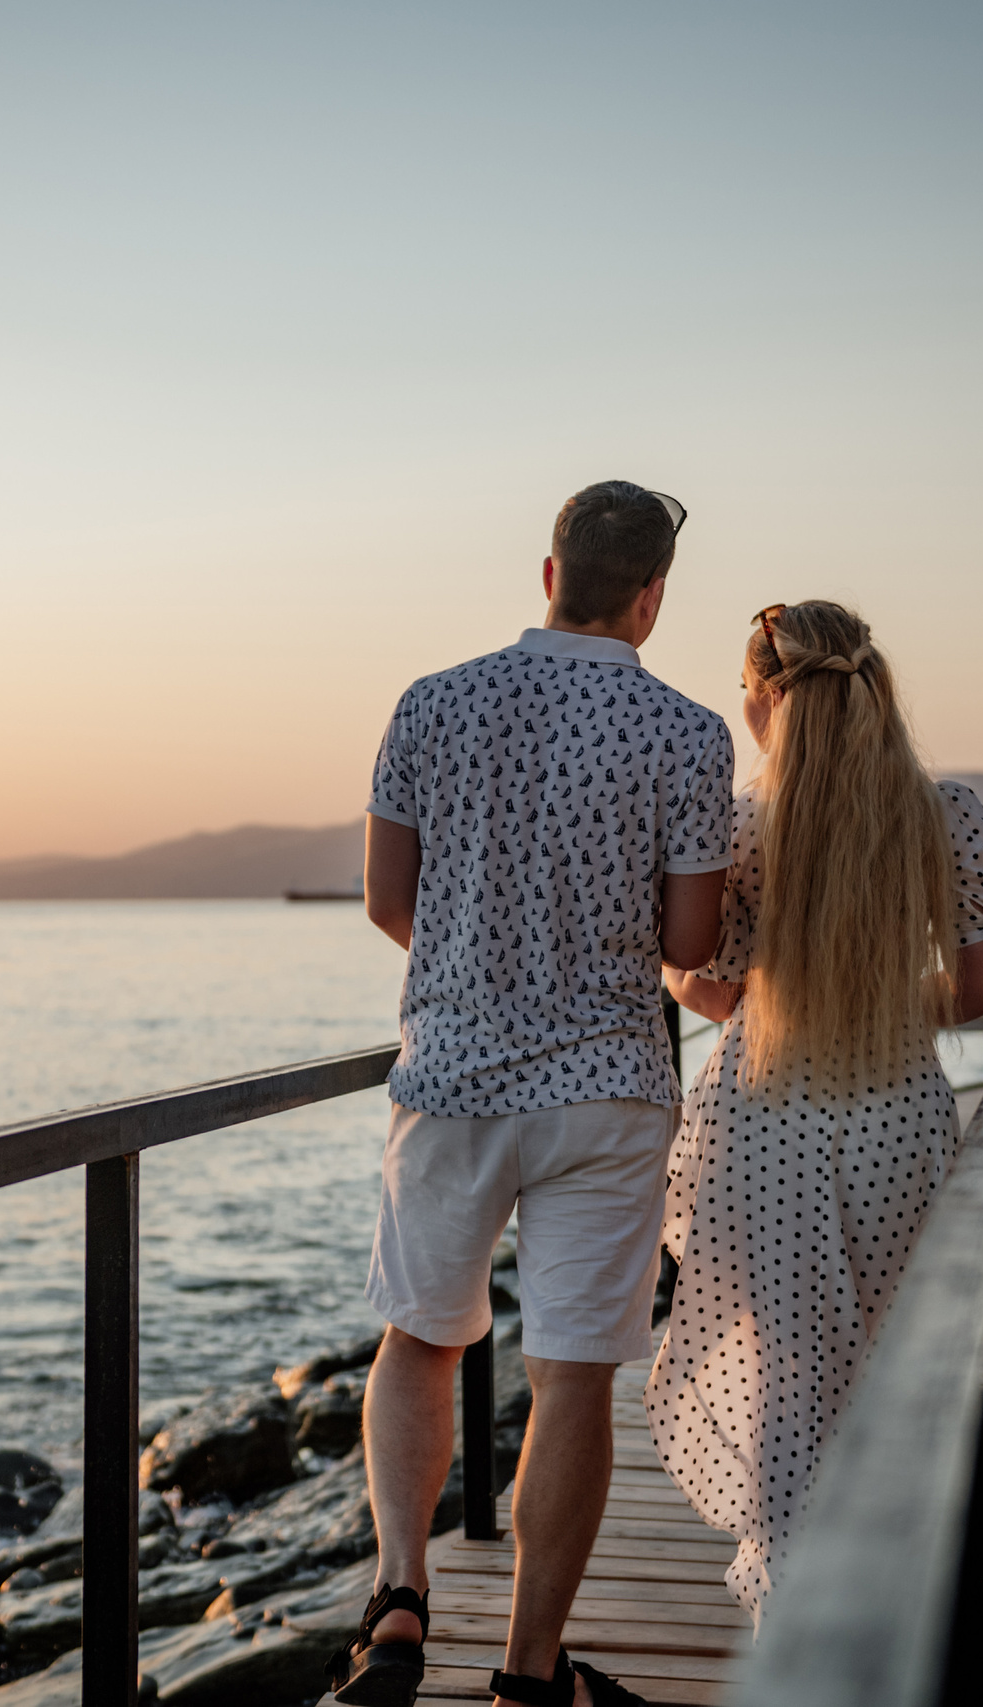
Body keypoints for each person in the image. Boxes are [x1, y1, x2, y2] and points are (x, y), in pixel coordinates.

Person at [334, 480, 733, 1707]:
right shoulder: (689, 734)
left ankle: (401, 1600)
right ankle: (523, 1673)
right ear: (652, 596)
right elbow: (690, 934)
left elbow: (385, 900)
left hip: (450, 1077)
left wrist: (479, 975)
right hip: (607, 1089)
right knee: (572, 1374)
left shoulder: (431, 703)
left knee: (418, 1336)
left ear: (548, 570)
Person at [643, 599, 983, 1628]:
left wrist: (731, 994)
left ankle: (793, 1625)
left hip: (764, 1124)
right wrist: (886, 1004)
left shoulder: (743, 826)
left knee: (785, 1385)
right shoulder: (944, 814)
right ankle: (893, 1607)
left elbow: (699, 975)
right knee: (894, 1367)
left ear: (766, 703)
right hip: (895, 1117)